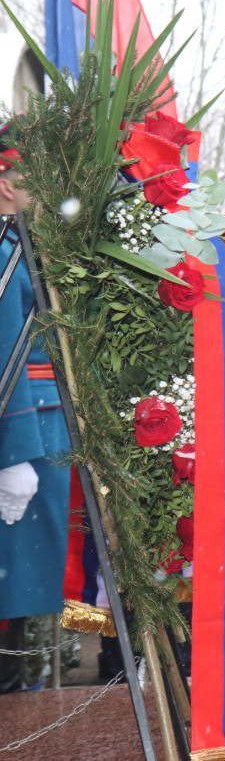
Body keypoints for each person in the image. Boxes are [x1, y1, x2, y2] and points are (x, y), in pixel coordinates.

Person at [0, 139, 71, 693]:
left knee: (25, 591)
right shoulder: (4, 252)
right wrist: (15, 453)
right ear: (6, 184)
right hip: (29, 428)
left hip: (41, 422)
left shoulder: (17, 244)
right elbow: (7, 358)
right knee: (18, 590)